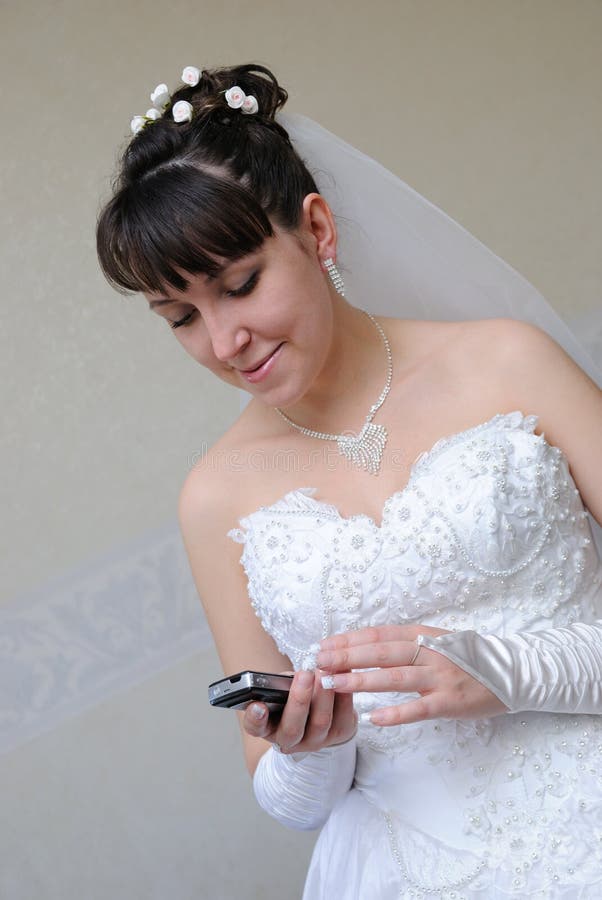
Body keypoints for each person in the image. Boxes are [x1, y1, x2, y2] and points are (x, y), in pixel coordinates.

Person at [96, 63, 602, 898]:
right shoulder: (214, 496)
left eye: (241, 285)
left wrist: (515, 672)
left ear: (317, 230)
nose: (224, 341)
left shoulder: (508, 363)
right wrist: (312, 750)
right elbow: (283, 794)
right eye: (182, 317)